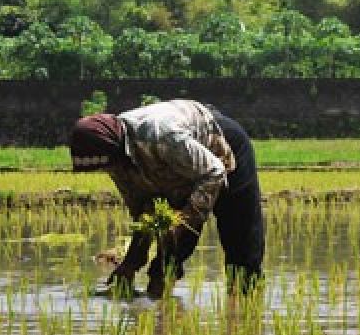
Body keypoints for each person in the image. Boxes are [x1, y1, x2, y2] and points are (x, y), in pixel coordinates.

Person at [68, 99, 265, 298]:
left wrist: (184, 219)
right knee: (165, 262)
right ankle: (161, 311)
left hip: (219, 148)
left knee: (241, 248)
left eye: (109, 165)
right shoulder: (114, 158)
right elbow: (143, 211)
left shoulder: (161, 136)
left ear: (117, 148)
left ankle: (244, 308)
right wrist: (132, 262)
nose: (110, 171)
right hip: (181, 168)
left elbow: (214, 172)